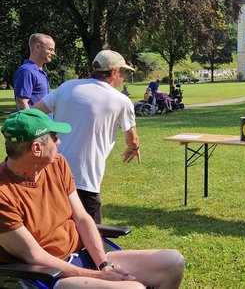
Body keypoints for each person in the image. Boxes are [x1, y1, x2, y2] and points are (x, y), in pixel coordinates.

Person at [0, 109, 184, 288]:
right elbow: (34, 256)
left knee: (172, 262)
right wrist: (100, 276)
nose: (59, 142)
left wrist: (104, 264)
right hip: (47, 274)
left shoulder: (57, 164)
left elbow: (81, 218)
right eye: (54, 137)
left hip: (81, 254)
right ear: (37, 148)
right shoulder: (3, 194)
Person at [33, 50, 141, 224]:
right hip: (84, 179)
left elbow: (33, 113)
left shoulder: (67, 87)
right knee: (91, 235)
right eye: (123, 72)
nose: (123, 77)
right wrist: (133, 148)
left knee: (53, 229)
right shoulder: (121, 101)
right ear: (113, 72)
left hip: (51, 172)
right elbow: (133, 138)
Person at [13, 33, 56, 112]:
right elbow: (21, 103)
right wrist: (32, 123)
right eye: (50, 49)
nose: (53, 53)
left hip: (45, 124)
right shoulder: (26, 71)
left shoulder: (41, 72)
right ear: (37, 47)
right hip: (36, 124)